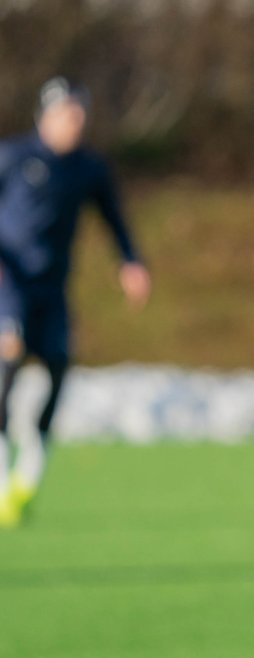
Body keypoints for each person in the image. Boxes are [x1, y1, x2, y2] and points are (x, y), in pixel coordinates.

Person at [0, 77, 151, 528]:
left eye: (80, 112)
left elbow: (113, 216)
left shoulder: (88, 168)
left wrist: (130, 261)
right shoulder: (13, 156)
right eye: (68, 112)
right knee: (7, 365)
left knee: (58, 368)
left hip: (54, 289)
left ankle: (29, 470)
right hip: (10, 283)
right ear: (47, 114)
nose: (76, 121)